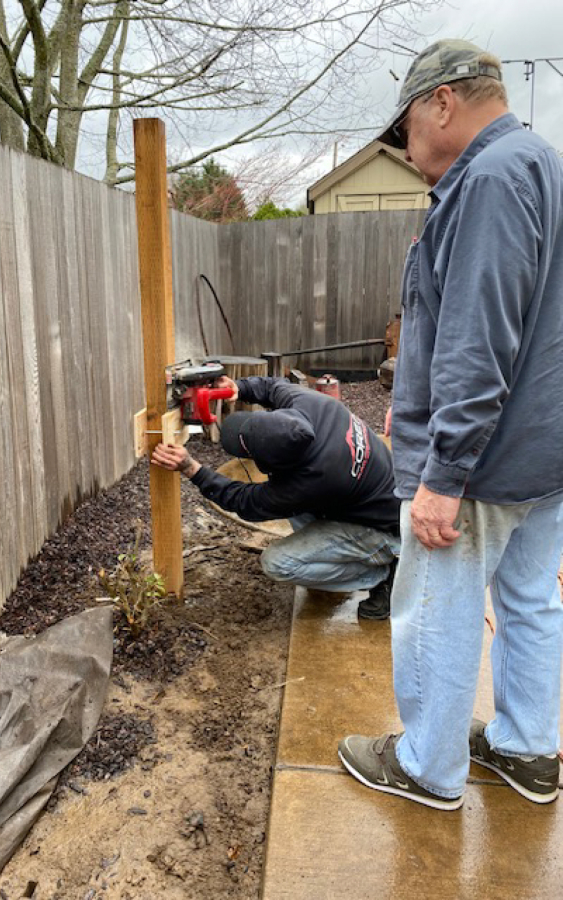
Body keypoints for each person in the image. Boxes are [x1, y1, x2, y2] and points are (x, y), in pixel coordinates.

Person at [339, 39, 563, 810]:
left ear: (441, 101)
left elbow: (478, 336)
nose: (404, 147)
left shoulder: (490, 180)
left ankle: (426, 766)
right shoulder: (544, 165)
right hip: (547, 446)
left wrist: (442, 472)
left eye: (403, 128)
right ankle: (526, 750)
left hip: (485, 461)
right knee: (531, 597)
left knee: (435, 603)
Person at [151, 374, 400, 619]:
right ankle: (349, 555)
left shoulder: (312, 481)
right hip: (378, 497)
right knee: (301, 511)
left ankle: (383, 574)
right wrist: (240, 387)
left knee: (277, 563)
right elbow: (273, 386)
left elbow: (245, 502)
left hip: (384, 529)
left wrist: (192, 469)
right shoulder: (311, 404)